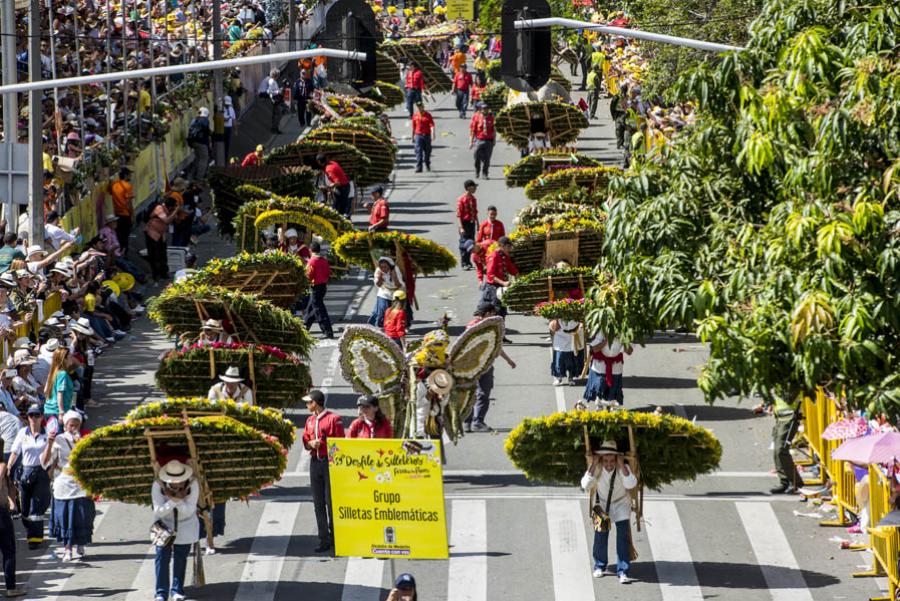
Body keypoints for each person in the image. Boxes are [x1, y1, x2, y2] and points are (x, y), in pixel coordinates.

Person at [580, 440, 637, 583]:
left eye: (612, 460)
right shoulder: (597, 467)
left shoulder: (623, 467)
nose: (609, 464)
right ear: (601, 459)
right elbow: (585, 485)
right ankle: (599, 565)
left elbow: (631, 483)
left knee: (623, 536)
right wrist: (594, 463)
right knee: (600, 535)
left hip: (621, 503)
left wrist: (621, 465)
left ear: (616, 458)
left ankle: (622, 571)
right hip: (602, 503)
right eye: (605, 460)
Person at [43, 410, 95, 562]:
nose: (74, 428)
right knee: (65, 517)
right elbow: (45, 462)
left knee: (82, 516)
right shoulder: (58, 439)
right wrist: (49, 443)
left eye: (77, 425)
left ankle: (80, 545)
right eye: (71, 425)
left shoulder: (85, 439)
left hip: (81, 483)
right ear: (65, 425)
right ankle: (67, 549)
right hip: (63, 483)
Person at [302, 389, 344, 553]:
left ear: (316, 403)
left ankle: (336, 536)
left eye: (309, 402)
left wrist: (323, 445)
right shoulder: (310, 420)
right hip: (315, 463)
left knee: (331, 502)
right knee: (318, 503)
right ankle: (323, 538)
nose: (307, 405)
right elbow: (306, 438)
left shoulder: (334, 419)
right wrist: (311, 444)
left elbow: (339, 443)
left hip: (329, 463)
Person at [152, 460, 200, 601]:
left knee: (180, 558)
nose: (177, 484)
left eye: (179, 481)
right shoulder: (157, 485)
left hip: (186, 524)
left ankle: (177, 590)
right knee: (161, 557)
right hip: (162, 524)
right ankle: (160, 593)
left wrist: (175, 500)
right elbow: (159, 511)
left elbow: (188, 511)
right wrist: (175, 500)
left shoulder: (193, 485)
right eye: (173, 482)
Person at [464, 302, 515, 433]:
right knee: (477, 393)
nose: (494, 316)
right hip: (477, 366)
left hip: (478, 366)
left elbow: (495, 346)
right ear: (487, 313)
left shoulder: (482, 326)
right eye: (492, 313)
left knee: (477, 393)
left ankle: (472, 422)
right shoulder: (476, 327)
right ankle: (472, 422)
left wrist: (508, 360)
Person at [9, 403, 50, 549]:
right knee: (25, 508)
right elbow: (15, 451)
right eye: (31, 415)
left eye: (36, 415)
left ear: (41, 417)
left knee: (36, 507)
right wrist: (8, 467)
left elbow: (54, 453)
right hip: (26, 471)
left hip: (41, 472)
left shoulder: (47, 433)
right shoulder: (22, 433)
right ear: (28, 417)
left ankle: (35, 538)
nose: (33, 418)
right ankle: (30, 529)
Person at [0, 440, 24, 596]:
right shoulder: (2, 466)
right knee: (8, 550)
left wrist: (10, 500)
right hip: (0, 513)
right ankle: (10, 588)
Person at [583, 332, 633, 406]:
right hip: (600, 367)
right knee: (599, 390)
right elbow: (594, 349)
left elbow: (629, 351)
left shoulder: (623, 332)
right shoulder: (601, 331)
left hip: (616, 367)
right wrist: (605, 341)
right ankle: (599, 407)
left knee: (612, 393)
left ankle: (610, 407)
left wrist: (624, 340)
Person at [770, 396, 800, 494]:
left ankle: (796, 483)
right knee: (776, 452)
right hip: (780, 418)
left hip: (790, 418)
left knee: (781, 450)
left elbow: (789, 398)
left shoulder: (789, 381)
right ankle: (784, 482)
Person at [145, 197, 179, 283]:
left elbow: (176, 221)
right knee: (154, 255)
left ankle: (164, 273)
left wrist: (174, 213)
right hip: (152, 233)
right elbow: (166, 221)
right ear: (170, 206)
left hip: (161, 234)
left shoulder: (169, 210)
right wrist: (176, 211)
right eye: (173, 207)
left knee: (163, 254)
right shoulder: (159, 208)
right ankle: (156, 275)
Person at [304, 241, 334, 339]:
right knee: (311, 308)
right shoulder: (324, 260)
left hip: (315, 287)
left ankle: (327, 331)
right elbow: (328, 273)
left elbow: (308, 276)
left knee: (319, 310)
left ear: (310, 250)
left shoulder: (312, 261)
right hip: (323, 286)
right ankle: (304, 328)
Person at [43, 347, 75, 435]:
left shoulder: (53, 372)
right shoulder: (63, 374)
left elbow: (46, 390)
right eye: (70, 356)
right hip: (58, 412)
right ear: (63, 359)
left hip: (48, 411)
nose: (72, 358)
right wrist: (61, 413)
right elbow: (60, 394)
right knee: (59, 440)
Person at [481, 236, 517, 314]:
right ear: (502, 246)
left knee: (503, 309)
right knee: (497, 309)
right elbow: (490, 275)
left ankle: (501, 325)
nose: (510, 248)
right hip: (493, 287)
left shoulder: (504, 256)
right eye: (508, 246)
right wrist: (503, 283)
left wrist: (518, 276)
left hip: (501, 287)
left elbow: (511, 269)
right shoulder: (493, 256)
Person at [367, 257, 404, 328]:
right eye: (381, 267)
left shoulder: (395, 269)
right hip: (384, 292)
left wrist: (394, 276)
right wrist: (379, 277)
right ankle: (381, 327)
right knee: (383, 309)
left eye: (385, 267)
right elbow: (378, 285)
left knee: (397, 312)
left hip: (397, 291)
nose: (383, 269)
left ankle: (396, 328)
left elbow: (399, 285)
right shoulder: (378, 270)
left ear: (390, 266)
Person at [316, 154, 352, 219]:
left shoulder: (329, 169)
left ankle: (341, 223)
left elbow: (337, 183)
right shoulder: (332, 163)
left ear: (319, 162)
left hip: (342, 188)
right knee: (338, 206)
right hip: (344, 186)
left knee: (338, 208)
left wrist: (326, 187)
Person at [110, 168, 135, 253]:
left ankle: (119, 253)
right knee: (125, 237)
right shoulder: (127, 186)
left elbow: (110, 191)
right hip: (125, 214)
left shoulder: (114, 185)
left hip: (116, 214)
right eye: (129, 174)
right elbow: (129, 203)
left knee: (118, 236)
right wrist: (132, 215)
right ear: (125, 175)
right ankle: (124, 254)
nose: (130, 176)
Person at [469, 102, 496, 179]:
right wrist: (471, 142)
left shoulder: (491, 118)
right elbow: (472, 130)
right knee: (476, 156)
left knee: (487, 158)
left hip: (489, 141)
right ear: (480, 110)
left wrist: (494, 140)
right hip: (478, 140)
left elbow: (494, 130)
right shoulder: (476, 117)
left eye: (486, 109)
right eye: (483, 109)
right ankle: (477, 170)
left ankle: (485, 173)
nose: (485, 110)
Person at [456, 180, 478, 270]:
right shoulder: (461, 199)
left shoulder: (473, 198)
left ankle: (468, 262)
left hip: (471, 223)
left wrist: (478, 223)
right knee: (463, 243)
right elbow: (459, 215)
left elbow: (475, 212)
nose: (475, 189)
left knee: (471, 243)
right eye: (474, 187)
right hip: (464, 223)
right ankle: (464, 263)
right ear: (469, 188)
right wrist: (461, 227)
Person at [187, 107, 212, 180]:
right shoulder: (205, 120)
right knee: (204, 159)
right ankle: (199, 177)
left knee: (197, 159)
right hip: (202, 143)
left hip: (193, 142)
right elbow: (207, 132)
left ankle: (192, 176)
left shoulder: (194, 120)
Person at [411, 103, 435, 173]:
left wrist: (433, 133)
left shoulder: (428, 115)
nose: (419, 108)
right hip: (418, 136)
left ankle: (427, 163)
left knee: (427, 152)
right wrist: (412, 137)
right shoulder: (415, 115)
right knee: (418, 152)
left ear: (423, 107)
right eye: (418, 107)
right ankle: (419, 167)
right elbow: (413, 127)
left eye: (421, 107)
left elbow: (432, 125)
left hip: (427, 135)